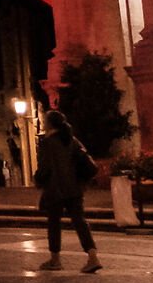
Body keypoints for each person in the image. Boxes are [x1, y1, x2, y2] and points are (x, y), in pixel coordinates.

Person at [34, 109, 102, 273]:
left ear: (50, 124)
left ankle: (55, 259)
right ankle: (93, 257)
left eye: (45, 121)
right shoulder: (72, 140)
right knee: (80, 221)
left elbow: (44, 168)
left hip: (55, 189)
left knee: (54, 223)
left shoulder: (47, 143)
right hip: (75, 188)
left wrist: (38, 179)